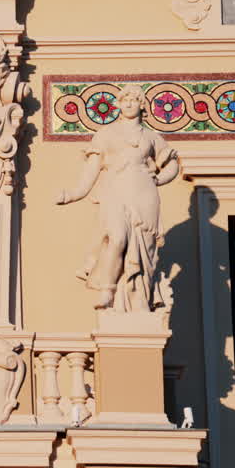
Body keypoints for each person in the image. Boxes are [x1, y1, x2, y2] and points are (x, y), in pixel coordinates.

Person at [56, 84, 179, 311]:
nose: (129, 104)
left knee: (145, 248)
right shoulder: (106, 135)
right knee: (117, 238)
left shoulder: (151, 137)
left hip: (145, 195)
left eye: (134, 100)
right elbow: (92, 170)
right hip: (115, 192)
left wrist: (158, 180)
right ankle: (108, 290)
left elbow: (172, 164)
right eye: (125, 100)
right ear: (119, 105)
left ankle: (140, 297)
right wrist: (74, 194)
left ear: (141, 105)